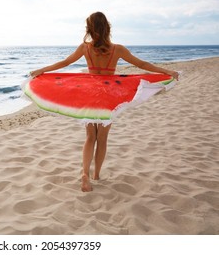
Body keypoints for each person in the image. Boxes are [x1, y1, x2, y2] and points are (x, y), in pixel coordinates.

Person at [29, 12, 179, 192]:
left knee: (90, 136)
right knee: (102, 138)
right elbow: (143, 65)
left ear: (90, 29)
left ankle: (85, 173)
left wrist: (42, 70)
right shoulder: (118, 49)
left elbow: (65, 62)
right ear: (107, 27)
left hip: (90, 94)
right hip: (108, 95)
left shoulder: (85, 48)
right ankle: (96, 175)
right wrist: (167, 72)